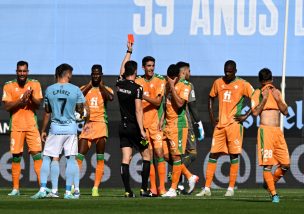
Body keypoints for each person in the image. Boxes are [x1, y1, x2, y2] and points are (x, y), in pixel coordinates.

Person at [196, 60, 254, 197]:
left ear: (235, 71)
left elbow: (257, 97)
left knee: (233, 155)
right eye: (225, 71)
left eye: (230, 71)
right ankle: (207, 188)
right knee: (213, 154)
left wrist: (246, 115)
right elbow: (211, 98)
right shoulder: (218, 82)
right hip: (220, 125)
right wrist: (211, 117)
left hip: (234, 125)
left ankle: (231, 188)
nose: (227, 74)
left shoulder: (243, 84)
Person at [31, 63, 85, 199]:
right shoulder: (75, 90)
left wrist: (43, 129)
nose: (71, 76)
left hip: (55, 128)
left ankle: (43, 189)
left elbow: (48, 110)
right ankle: (68, 192)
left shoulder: (49, 89)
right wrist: (79, 114)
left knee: (47, 158)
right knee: (71, 159)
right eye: (71, 74)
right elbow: (80, 111)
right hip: (71, 129)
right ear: (67, 74)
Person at [2, 61, 43, 196]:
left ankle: (42, 188)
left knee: (37, 155)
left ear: (28, 72)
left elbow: (38, 105)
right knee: (16, 157)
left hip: (31, 125)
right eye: (20, 71)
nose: (22, 74)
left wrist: (30, 96)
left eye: (24, 71)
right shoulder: (9, 86)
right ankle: (15, 189)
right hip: (16, 126)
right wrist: (21, 101)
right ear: (16, 71)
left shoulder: (35, 84)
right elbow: (7, 107)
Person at [117, 42, 151, 197]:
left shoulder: (119, 84)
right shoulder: (137, 88)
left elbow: (121, 69)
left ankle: (127, 191)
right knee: (146, 156)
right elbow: (138, 110)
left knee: (125, 158)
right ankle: (144, 189)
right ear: (136, 71)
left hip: (122, 126)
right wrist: (142, 130)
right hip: (134, 127)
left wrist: (128, 51)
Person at [251, 68, 290, 203]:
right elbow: (255, 113)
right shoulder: (257, 93)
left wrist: (278, 99)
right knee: (267, 165)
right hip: (265, 131)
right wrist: (265, 98)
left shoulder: (277, 92)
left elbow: (285, 112)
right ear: (261, 82)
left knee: (286, 164)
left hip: (277, 132)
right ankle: (274, 194)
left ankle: (270, 182)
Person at [161, 63, 198, 197]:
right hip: (167, 125)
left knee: (176, 156)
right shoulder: (167, 84)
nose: (170, 79)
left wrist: (172, 86)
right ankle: (190, 176)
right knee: (164, 154)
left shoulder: (185, 85)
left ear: (177, 76)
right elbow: (165, 103)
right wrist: (161, 120)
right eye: (168, 77)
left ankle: (172, 189)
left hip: (179, 125)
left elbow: (180, 103)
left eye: (172, 77)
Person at [76, 64, 114, 197]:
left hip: (101, 125)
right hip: (88, 125)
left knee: (100, 157)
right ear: (91, 74)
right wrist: (90, 84)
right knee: (79, 156)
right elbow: (78, 95)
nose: (96, 76)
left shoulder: (106, 89)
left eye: (98, 74)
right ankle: (75, 187)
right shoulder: (85, 89)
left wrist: (101, 85)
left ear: (101, 74)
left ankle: (95, 188)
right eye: (94, 74)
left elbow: (111, 97)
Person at [135, 56, 166, 196]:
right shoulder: (137, 81)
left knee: (160, 154)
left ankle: (162, 187)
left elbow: (158, 103)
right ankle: (153, 188)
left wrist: (143, 96)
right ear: (143, 67)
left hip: (155, 124)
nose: (151, 68)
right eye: (148, 66)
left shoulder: (160, 80)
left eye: (153, 65)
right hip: (142, 125)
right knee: (149, 155)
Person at [175, 61, 204, 194]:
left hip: (171, 123)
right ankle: (178, 174)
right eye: (189, 71)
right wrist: (199, 123)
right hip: (185, 123)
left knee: (177, 154)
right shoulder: (188, 85)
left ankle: (179, 184)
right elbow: (192, 106)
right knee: (192, 154)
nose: (190, 74)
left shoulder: (171, 83)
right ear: (184, 71)